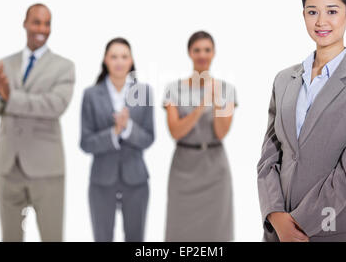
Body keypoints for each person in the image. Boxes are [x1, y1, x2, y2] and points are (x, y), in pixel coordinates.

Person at [257, 0, 346, 242]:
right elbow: (269, 157)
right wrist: (275, 215)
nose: (321, 21)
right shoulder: (284, 79)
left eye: (332, 11)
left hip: (335, 229)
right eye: (312, 12)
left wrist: (301, 222)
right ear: (303, 15)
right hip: (277, 233)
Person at [0, 3, 75, 241]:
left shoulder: (63, 67)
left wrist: (10, 96)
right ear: (25, 23)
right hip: (8, 165)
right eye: (36, 22)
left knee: (51, 236)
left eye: (47, 23)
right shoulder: (6, 63)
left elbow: (54, 106)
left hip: (45, 167)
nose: (42, 28)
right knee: (10, 237)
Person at [163, 31, 237, 241]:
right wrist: (200, 106)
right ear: (189, 53)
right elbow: (175, 131)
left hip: (214, 168)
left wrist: (215, 104)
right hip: (184, 168)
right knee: (180, 228)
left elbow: (222, 132)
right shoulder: (173, 89)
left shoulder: (226, 90)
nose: (202, 55)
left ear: (213, 53)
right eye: (197, 50)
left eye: (207, 50)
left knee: (217, 230)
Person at [80, 37, 154, 242]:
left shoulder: (144, 92)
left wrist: (128, 128)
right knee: (102, 237)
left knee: (136, 239)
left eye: (124, 56)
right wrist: (114, 132)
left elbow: (149, 137)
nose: (119, 62)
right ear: (105, 60)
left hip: (136, 179)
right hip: (101, 180)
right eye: (114, 56)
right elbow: (85, 142)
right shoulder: (91, 95)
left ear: (131, 61)